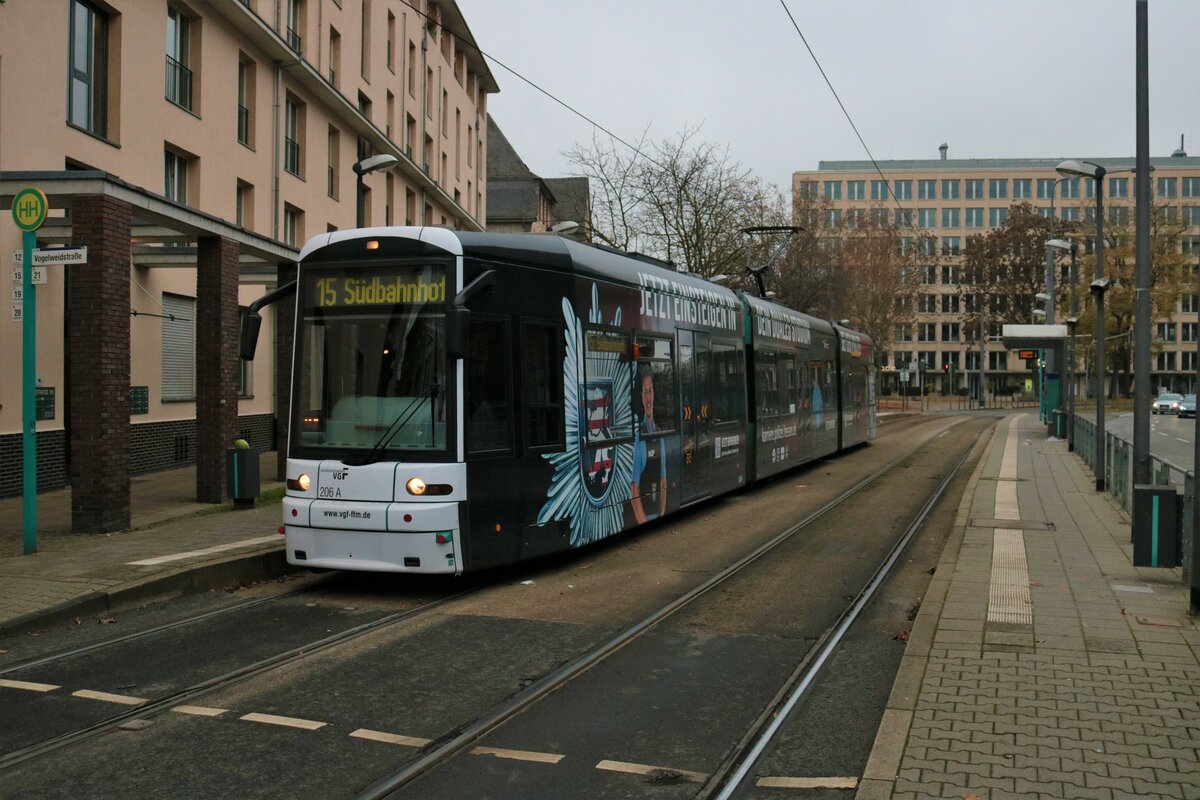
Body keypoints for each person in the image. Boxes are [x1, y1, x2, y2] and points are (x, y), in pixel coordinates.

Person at [631, 365, 667, 523]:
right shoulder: (639, 437)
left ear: (654, 394)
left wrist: (662, 513)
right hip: (645, 518)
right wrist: (643, 521)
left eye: (650, 390)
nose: (648, 398)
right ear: (641, 397)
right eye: (644, 392)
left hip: (657, 514)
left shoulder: (660, 434)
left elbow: (664, 480)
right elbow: (634, 489)